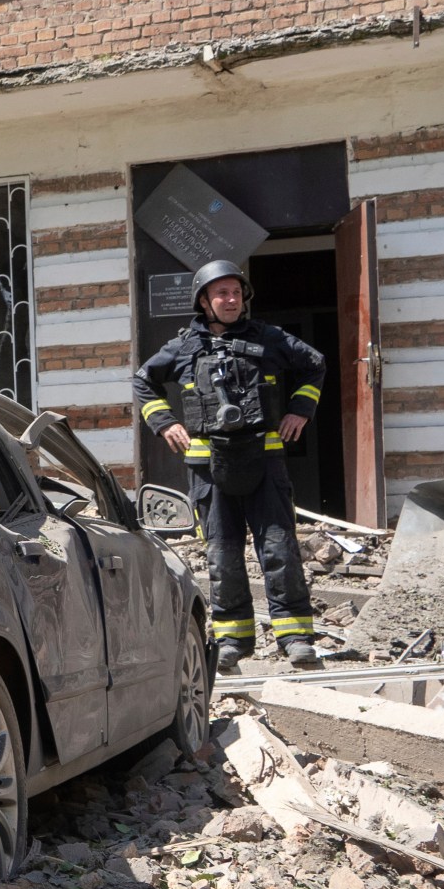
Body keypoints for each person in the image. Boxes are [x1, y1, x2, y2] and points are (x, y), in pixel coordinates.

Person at [131, 260, 326, 674]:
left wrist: (300, 410)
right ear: (204, 300)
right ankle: (233, 641)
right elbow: (142, 380)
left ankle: (295, 639)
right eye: (221, 293)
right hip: (210, 471)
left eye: (236, 292)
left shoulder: (270, 339)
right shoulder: (183, 346)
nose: (231, 299)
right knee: (222, 556)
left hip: (265, 463)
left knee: (279, 550)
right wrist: (165, 423)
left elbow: (315, 364)